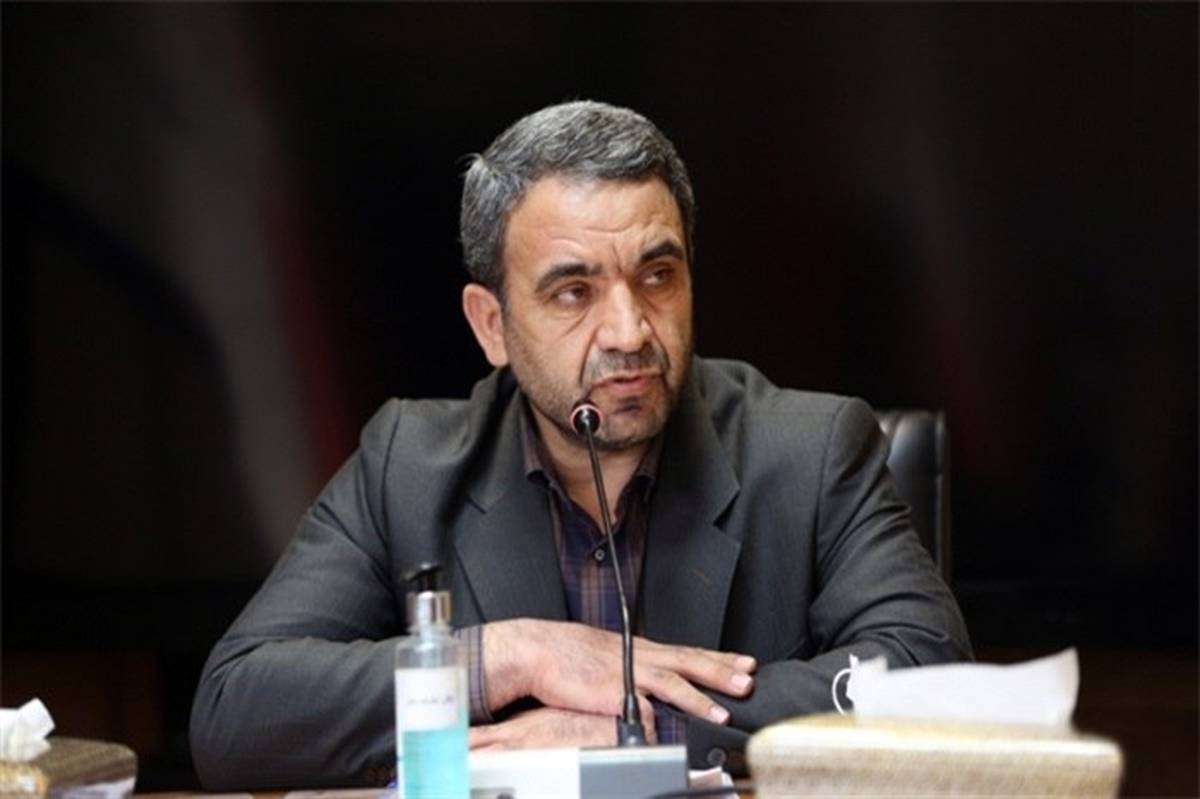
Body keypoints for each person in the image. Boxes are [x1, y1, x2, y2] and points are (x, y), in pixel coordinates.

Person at [190, 100, 971, 790]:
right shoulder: (409, 465)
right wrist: (510, 657)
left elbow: (932, 675)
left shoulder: (812, 450)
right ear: (491, 325)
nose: (630, 330)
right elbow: (234, 711)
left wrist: (642, 727)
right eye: (574, 291)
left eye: (657, 276)